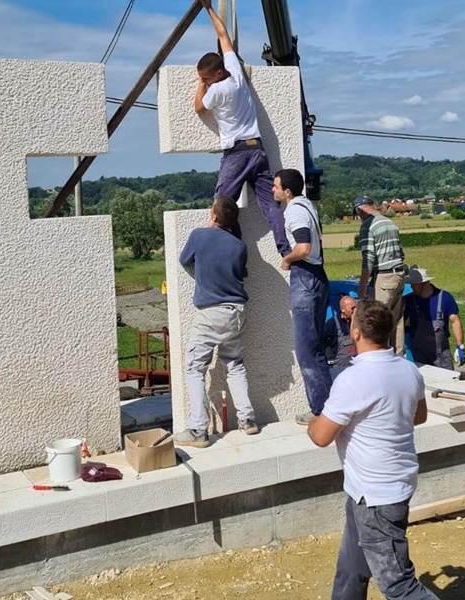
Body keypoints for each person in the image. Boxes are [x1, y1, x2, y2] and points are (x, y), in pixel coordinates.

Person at [306, 299, 438, 600]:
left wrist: (313, 421)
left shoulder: (353, 379)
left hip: (377, 497)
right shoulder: (409, 371)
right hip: (371, 489)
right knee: (351, 570)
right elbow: (419, 416)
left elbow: (321, 437)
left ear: (355, 334)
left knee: (399, 586)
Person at [194, 0, 290, 257]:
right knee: (271, 206)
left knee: (221, 207)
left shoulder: (216, 90)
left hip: (235, 154)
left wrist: (200, 84)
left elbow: (199, 108)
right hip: (257, 150)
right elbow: (223, 35)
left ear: (215, 75)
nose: (204, 81)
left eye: (206, 77)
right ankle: (286, 250)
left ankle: (234, 257)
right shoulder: (235, 73)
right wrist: (209, 9)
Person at [174, 197, 260, 448]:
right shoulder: (239, 246)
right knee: (234, 364)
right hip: (236, 311)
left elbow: (183, 260)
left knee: (194, 369)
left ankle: (198, 430)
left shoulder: (200, 235)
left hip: (210, 313)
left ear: (213, 215)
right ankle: (247, 420)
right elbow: (241, 274)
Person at [273, 168, 332, 425]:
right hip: (318, 276)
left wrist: (287, 259)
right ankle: (329, 406)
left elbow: (304, 247)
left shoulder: (294, 211)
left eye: (275, 187)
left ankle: (321, 410)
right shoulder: (307, 205)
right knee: (316, 346)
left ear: (287, 191)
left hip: (305, 277)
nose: (272, 190)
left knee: (307, 351)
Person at [353, 195, 408, 356]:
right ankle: (399, 357)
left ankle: (380, 358)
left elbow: (368, 259)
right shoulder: (389, 222)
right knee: (396, 321)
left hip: (383, 277)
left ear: (359, 210)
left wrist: (362, 287)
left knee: (378, 320)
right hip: (398, 274)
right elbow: (400, 251)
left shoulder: (368, 225)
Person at [404, 267, 465, 370]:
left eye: (414, 284)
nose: (411, 286)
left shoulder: (445, 298)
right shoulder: (408, 300)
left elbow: (455, 321)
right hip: (418, 355)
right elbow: (398, 322)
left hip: (441, 355)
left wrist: (460, 346)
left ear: (425, 283)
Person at [324, 294, 357, 376]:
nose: (355, 311)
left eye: (356, 307)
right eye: (352, 308)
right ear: (343, 309)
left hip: (356, 369)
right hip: (338, 371)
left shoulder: (359, 323)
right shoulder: (332, 324)